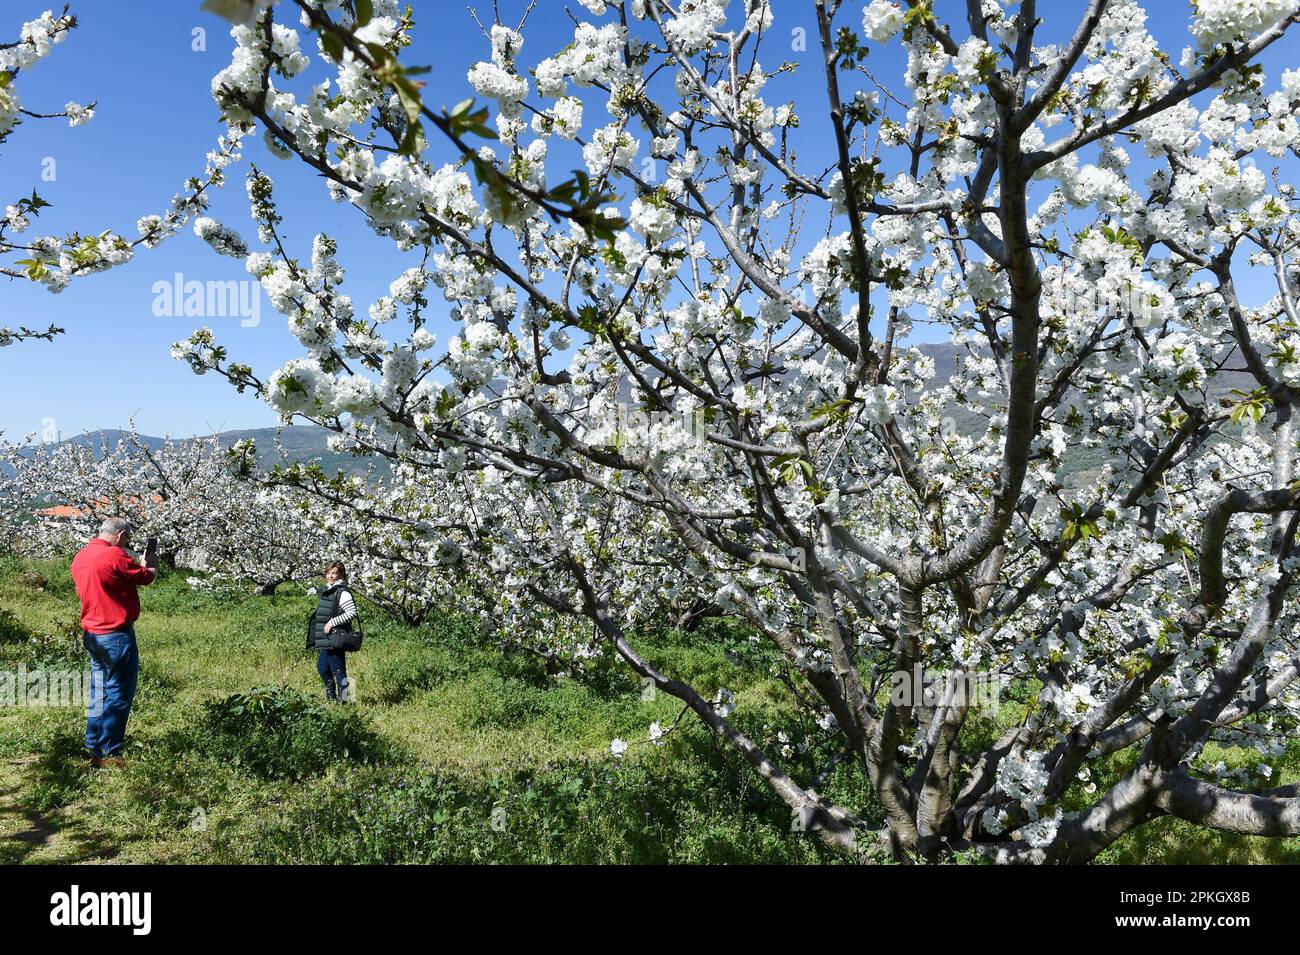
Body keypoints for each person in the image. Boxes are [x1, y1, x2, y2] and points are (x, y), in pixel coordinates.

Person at [70, 516, 157, 769]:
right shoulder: (115, 556)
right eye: (126, 539)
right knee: (119, 694)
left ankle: (92, 745)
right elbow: (146, 578)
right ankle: (110, 752)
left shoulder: (82, 556)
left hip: (92, 634)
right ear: (120, 535)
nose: (125, 543)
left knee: (99, 692)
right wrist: (151, 563)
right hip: (116, 635)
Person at [306, 561, 359, 703]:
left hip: (335, 637)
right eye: (329, 572)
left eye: (334, 573)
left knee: (339, 671)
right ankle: (331, 699)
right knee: (322, 668)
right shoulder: (329, 590)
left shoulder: (342, 592)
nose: (330, 575)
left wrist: (332, 622)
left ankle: (347, 701)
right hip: (326, 639)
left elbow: (352, 612)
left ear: (341, 574)